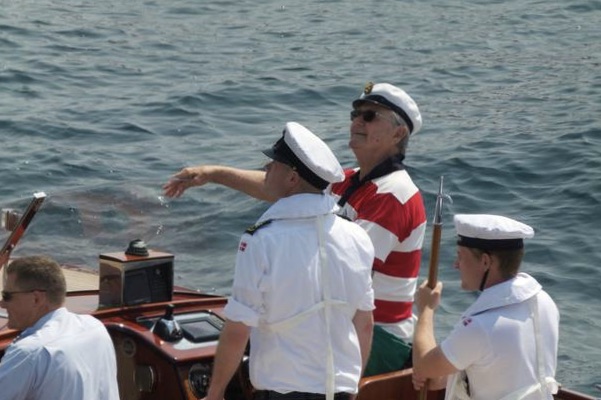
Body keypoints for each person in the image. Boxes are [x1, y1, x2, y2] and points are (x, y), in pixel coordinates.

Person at [163, 82, 426, 376]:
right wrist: (212, 174)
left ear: (398, 133)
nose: (356, 121)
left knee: (249, 344)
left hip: (380, 336)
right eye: (355, 113)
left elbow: (346, 267)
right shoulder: (351, 179)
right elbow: (281, 186)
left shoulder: (394, 195)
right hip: (343, 318)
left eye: (369, 116)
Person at [203, 122, 375, 400]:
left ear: (292, 178)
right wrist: (353, 389)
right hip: (341, 391)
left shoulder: (262, 240)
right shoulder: (358, 237)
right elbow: (364, 323)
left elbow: (238, 328)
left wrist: (215, 393)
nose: (266, 169)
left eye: (273, 164)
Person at [412, 214, 559, 400]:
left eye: (461, 256)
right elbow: (505, 365)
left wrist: (426, 309)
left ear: (485, 262)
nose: (456, 264)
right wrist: (444, 375)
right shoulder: (544, 302)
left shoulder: (480, 326)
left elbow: (424, 365)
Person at [0, 256, 120, 400]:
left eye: (7, 296)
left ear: (36, 299)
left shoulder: (29, 352)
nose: (2, 304)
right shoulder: (96, 328)